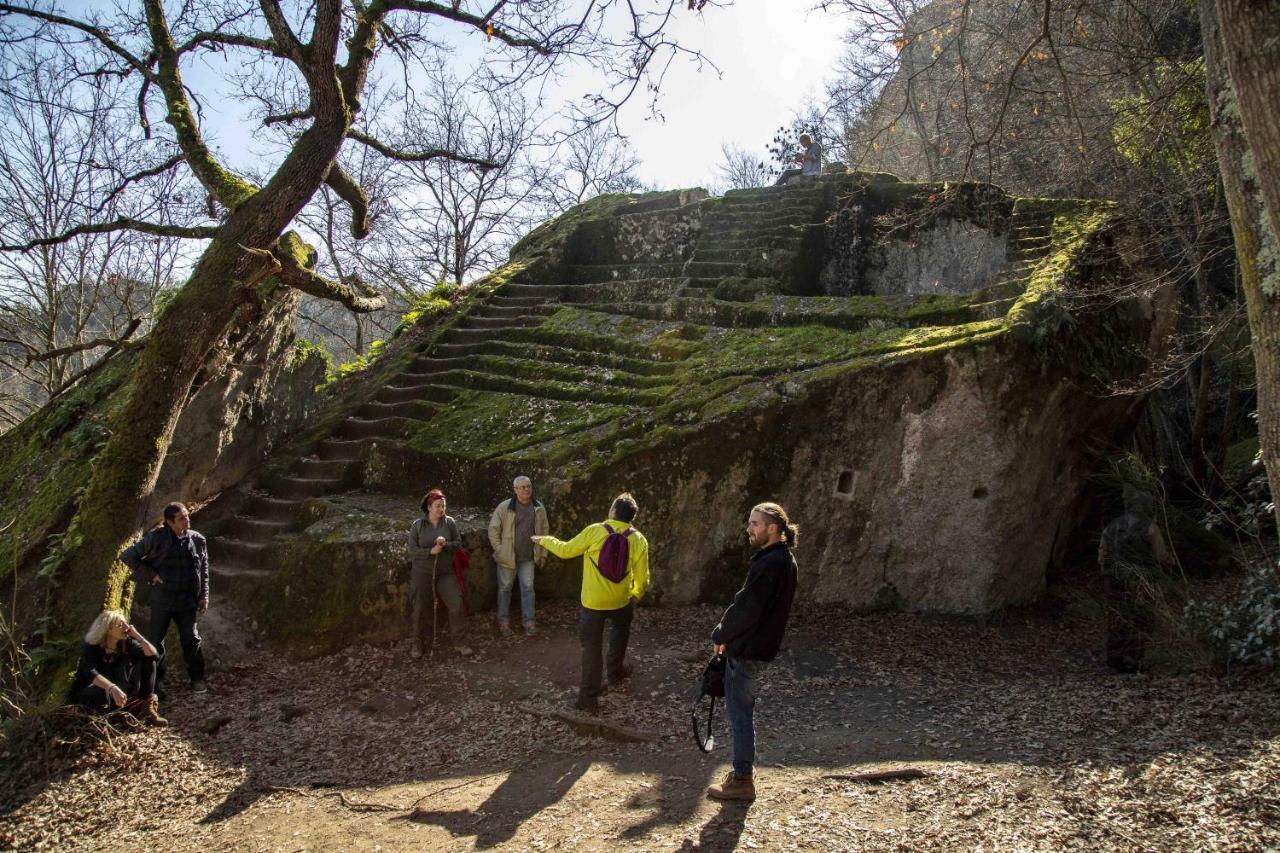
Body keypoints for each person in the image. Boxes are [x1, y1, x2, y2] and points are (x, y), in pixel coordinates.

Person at [705, 501, 799, 802]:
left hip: (749, 651)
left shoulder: (772, 563)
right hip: (757, 648)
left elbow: (747, 607)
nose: (749, 528)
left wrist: (722, 634)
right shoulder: (781, 560)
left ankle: (743, 778)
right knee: (743, 710)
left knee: (740, 713)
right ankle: (742, 773)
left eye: (755, 523)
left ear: (773, 527)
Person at [533, 493, 649, 715]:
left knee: (591, 648)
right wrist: (635, 595)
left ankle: (588, 698)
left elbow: (566, 551)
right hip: (621, 601)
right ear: (631, 517)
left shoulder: (596, 530)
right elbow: (643, 578)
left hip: (593, 603)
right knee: (621, 631)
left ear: (613, 511)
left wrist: (545, 540)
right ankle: (615, 671)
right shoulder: (639, 539)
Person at [120, 501, 209, 694]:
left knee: (191, 639)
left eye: (187, 515)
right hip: (162, 599)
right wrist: (151, 574)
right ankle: (157, 682)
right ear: (170, 522)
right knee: (155, 641)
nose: (187, 520)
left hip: (187, 600)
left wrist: (204, 595)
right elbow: (127, 556)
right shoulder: (155, 539)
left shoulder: (198, 540)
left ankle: (197, 678)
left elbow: (203, 569)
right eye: (181, 518)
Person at [69, 609, 167, 726]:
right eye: (121, 624)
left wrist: (137, 636)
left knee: (149, 660)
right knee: (94, 693)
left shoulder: (126, 643)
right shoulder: (92, 647)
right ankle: (101, 720)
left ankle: (147, 706)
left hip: (123, 690)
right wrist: (112, 688)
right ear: (108, 628)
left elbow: (153, 655)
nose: (126, 627)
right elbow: (90, 673)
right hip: (100, 691)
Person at [408, 489, 470, 658]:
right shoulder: (418, 525)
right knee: (419, 607)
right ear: (429, 507)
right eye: (437, 506)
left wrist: (446, 544)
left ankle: (460, 642)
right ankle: (417, 643)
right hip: (422, 573)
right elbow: (412, 550)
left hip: (445, 573)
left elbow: (457, 544)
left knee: (456, 604)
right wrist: (430, 551)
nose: (441, 509)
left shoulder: (449, 522)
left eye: (443, 506)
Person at [487, 475, 550, 637]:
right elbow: (493, 529)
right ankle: (503, 622)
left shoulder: (539, 508)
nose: (526, 490)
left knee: (528, 589)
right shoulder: (505, 507)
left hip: (528, 557)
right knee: (505, 589)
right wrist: (500, 550)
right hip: (507, 557)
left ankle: (529, 622)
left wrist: (542, 555)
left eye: (528, 486)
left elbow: (544, 532)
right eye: (522, 487)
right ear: (515, 490)